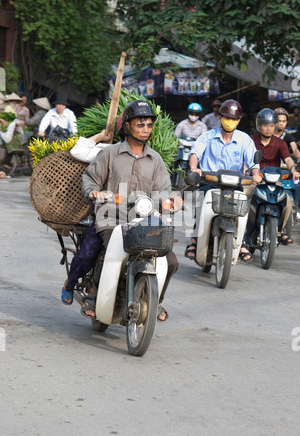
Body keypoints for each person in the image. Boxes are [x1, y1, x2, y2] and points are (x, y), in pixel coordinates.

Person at [63, 101, 182, 321]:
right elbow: (91, 178)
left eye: (148, 125)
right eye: (140, 124)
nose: (145, 129)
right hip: (111, 217)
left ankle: (155, 300)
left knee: (172, 261)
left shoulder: (155, 159)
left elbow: (164, 189)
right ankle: (92, 293)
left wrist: (172, 200)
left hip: (144, 220)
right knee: (98, 251)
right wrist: (94, 193)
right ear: (127, 126)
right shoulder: (110, 154)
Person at [185, 99, 261, 261]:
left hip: (235, 184)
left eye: (234, 119)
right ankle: (195, 240)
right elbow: (195, 154)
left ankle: (241, 242)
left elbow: (253, 161)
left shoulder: (244, 139)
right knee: (201, 204)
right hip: (210, 182)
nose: (230, 122)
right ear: (220, 117)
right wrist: (194, 168)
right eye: (227, 117)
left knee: (244, 209)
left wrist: (256, 174)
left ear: (239, 120)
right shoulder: (208, 136)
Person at [251, 108, 300, 245]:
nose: (268, 128)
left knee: (288, 200)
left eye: (271, 125)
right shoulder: (252, 140)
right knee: (245, 198)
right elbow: (246, 159)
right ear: (259, 125)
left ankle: (281, 230)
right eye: (265, 125)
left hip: (274, 180)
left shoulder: (281, 143)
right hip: (256, 179)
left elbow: (288, 159)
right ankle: (243, 232)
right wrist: (246, 170)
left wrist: (293, 169)